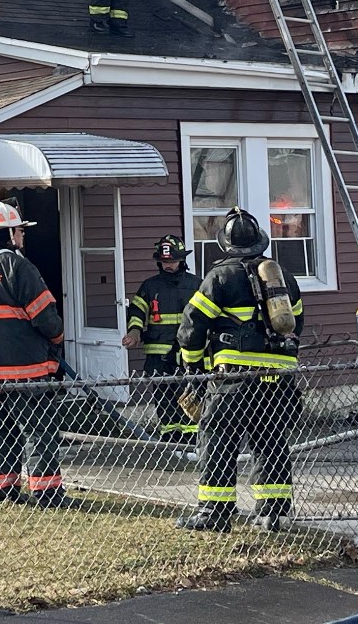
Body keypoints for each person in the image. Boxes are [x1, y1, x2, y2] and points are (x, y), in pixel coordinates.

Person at [173, 209, 304, 533]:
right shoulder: (283, 276)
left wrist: (194, 368)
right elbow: (296, 323)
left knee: (217, 440)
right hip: (279, 381)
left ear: (227, 245)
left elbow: (192, 326)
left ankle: (213, 515)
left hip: (234, 379)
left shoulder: (221, 276)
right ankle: (274, 515)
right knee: (271, 441)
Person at [0, 200, 73, 508]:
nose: (23, 236)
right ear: (9, 233)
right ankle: (46, 492)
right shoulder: (17, 265)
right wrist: (58, 338)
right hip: (25, 370)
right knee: (39, 430)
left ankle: (4, 490)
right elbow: (45, 316)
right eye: (20, 230)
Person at [124, 235, 202, 441]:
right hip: (158, 354)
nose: (168, 266)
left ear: (181, 260)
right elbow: (137, 311)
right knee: (163, 398)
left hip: (188, 353)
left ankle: (192, 441)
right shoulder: (149, 287)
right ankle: (169, 442)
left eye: (172, 261)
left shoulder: (196, 284)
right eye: (164, 262)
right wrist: (134, 331)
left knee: (190, 395)